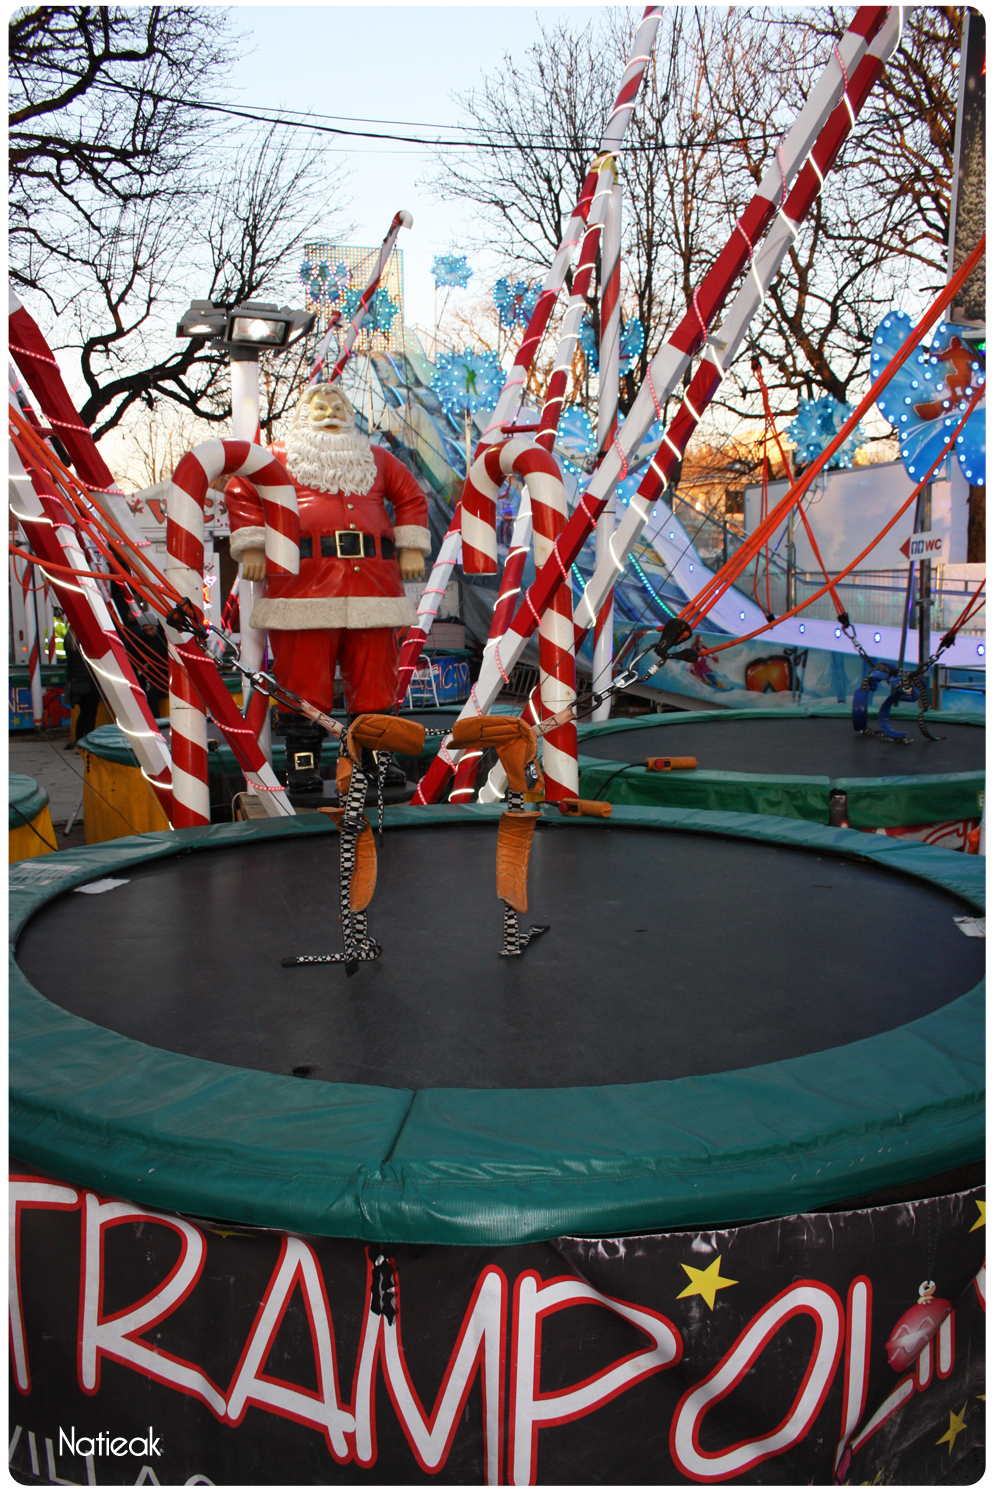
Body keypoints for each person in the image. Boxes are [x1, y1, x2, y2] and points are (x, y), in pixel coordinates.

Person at [224, 383, 430, 791]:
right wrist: (252, 545)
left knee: (376, 679)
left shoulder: (378, 460)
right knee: (302, 681)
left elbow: (411, 497)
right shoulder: (276, 457)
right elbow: (241, 489)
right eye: (320, 407)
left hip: (373, 589)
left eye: (338, 407)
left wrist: (410, 546)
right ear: (304, 414)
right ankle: (303, 763)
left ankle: (376, 755)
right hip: (303, 591)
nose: (330, 414)